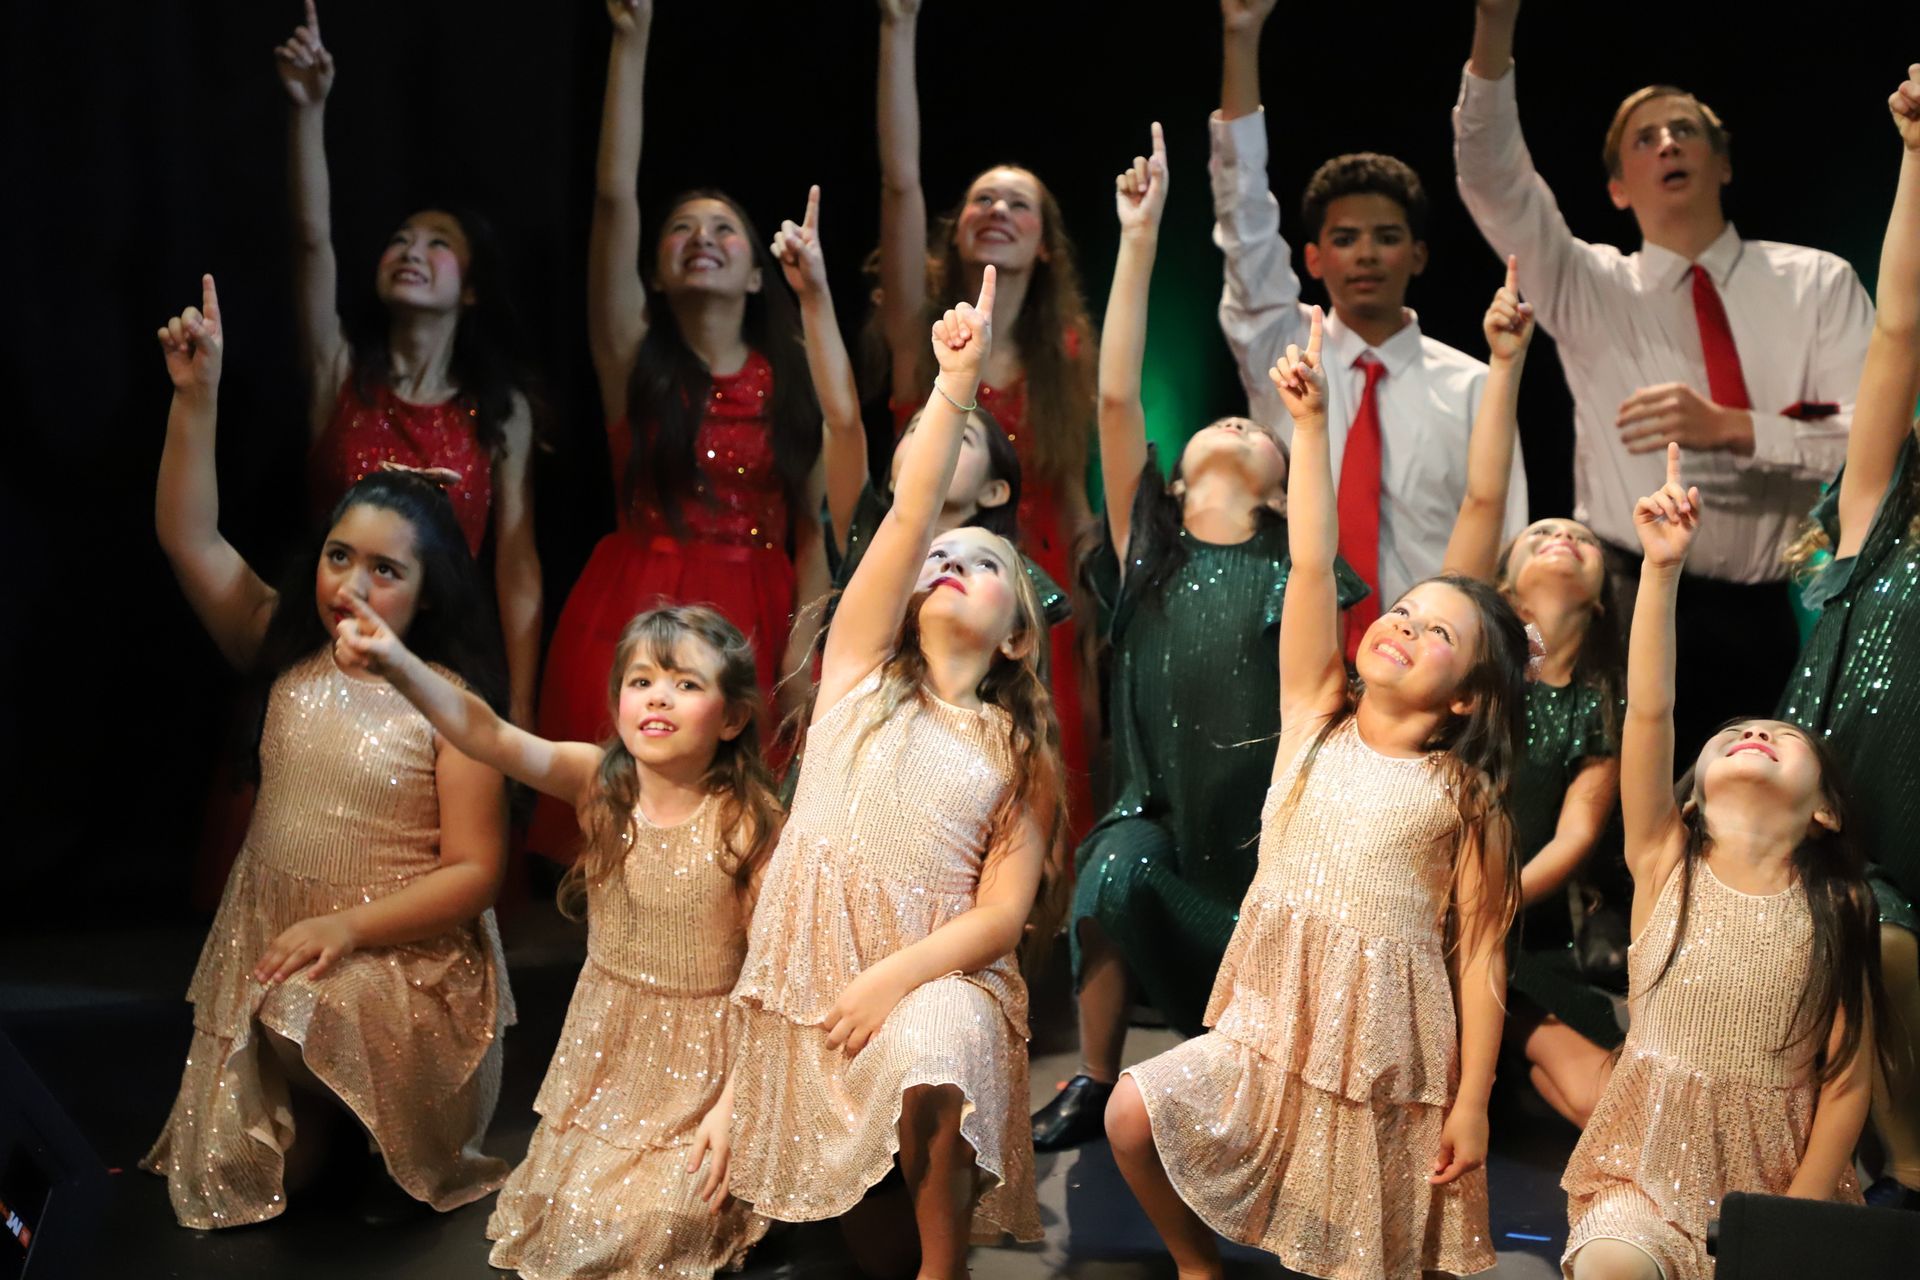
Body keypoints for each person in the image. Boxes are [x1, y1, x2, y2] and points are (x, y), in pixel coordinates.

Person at [1106, 305, 1528, 1280]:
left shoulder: (1466, 796)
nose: (1406, 627)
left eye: (1438, 636)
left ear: (1464, 692)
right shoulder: (1312, 717)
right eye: (1406, 610)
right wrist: (1309, 425)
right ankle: (1197, 1263)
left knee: (1356, 1257)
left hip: (1381, 1057)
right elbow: (1307, 561)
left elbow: (1483, 959)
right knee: (1131, 1113)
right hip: (1268, 1022)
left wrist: (1472, 1097)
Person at [143, 277, 514, 1227]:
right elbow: (188, 534)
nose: (351, 583)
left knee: (320, 1009)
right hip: (275, 944)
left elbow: (476, 870)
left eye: (385, 570)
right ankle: (327, 1130)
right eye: (339, 556)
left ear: (426, 596)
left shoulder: (446, 702)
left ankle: (388, 1124)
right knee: (256, 1188)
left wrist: (348, 930)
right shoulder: (283, 642)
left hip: (395, 967)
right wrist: (197, 399)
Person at [716, 269, 1059, 1274]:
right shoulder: (859, 673)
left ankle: (942, 1266)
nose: (954, 562)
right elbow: (905, 519)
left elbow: (1000, 916)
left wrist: (894, 979)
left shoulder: (1017, 750)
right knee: (852, 1240)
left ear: (1019, 642)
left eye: (985, 562)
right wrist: (952, 387)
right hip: (817, 971)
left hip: (934, 971)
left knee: (944, 1038)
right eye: (939, 559)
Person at [1033, 125, 1366, 1153]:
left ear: (1276, 479)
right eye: (1218, 426)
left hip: (1269, 836)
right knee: (1110, 872)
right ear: (1175, 482)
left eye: (1252, 429)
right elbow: (1118, 396)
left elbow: (1320, 542)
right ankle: (1094, 1076)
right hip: (1162, 814)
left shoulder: (1290, 567)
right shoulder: (1148, 560)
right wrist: (1138, 238)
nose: (1231, 422)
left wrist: (1310, 427)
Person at [1454, 0, 1874, 756]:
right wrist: (1493, 29)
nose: (1668, 143)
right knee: (1617, 833)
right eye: (1644, 139)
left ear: (1724, 162)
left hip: (1768, 608)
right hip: (1620, 600)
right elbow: (1494, 180)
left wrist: (1734, 427)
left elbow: (1874, 441)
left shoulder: (1817, 282)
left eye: (1687, 131)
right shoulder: (1590, 287)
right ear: (1617, 187)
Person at [336, 600, 776, 1278]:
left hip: (712, 1068)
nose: (659, 697)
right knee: (574, 1218)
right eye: (641, 681)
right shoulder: (598, 783)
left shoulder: (744, 825)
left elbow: (772, 980)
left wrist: (733, 1105)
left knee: (663, 1224)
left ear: (734, 716)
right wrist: (398, 663)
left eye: (686, 684)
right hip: (614, 1062)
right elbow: (488, 736)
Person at [1559, 445, 1882, 1280]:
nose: (1757, 732)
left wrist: (1793, 1221)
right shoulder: (1665, 858)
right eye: (1737, 733)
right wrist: (1663, 571)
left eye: (1782, 735)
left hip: (1777, 1183)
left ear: (1824, 811)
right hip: (1646, 1172)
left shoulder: (1842, 906)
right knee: (1610, 1268)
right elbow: (1652, 711)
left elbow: (1846, 1083)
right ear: (1692, 796)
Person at [532, 0, 826, 859]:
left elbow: (817, 529)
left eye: (724, 228)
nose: (701, 239)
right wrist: (631, 43)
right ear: (656, 272)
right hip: (638, 604)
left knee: (741, 841)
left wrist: (805, 655)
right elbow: (614, 197)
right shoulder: (632, 359)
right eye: (682, 230)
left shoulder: (793, 375)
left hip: (764, 612)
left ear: (758, 271)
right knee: (631, 832)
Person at [1213, 0, 1527, 659]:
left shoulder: (1474, 385)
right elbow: (1242, 219)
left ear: (1417, 256)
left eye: (1386, 239)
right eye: (1345, 239)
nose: (1365, 255)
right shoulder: (1283, 347)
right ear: (1314, 259)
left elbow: (1504, 537)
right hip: (1285, 653)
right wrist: (1240, 40)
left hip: (1429, 667)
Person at [274, 0, 540, 725]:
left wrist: (517, 707)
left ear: (474, 288)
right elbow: (310, 242)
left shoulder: (501, 410)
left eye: (438, 243)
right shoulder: (340, 374)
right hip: (322, 657)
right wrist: (308, 111)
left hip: (441, 675)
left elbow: (516, 568)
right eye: (400, 240)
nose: (413, 251)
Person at [875, 0, 1098, 835]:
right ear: (956, 232)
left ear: (1045, 244)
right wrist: (898, 32)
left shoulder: (1064, 349)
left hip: (1036, 594)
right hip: (928, 576)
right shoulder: (919, 332)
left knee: (1035, 802)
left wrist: (1097, 617)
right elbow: (900, 185)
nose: (996, 211)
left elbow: (1074, 495)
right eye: (980, 201)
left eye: (1019, 204)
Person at [1440, 258, 1628, 1127]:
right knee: (1556, 1066)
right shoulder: (1476, 670)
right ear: (1506, 584)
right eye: (1542, 531)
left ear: (1599, 593)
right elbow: (1484, 496)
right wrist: (1506, 365)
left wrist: (1497, 902)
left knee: (1582, 1079)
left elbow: (1582, 832)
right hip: (1429, 910)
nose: (1559, 536)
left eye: (1578, 537)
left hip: (1521, 926)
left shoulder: (1601, 704)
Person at [1777, 65, 1920, 1212]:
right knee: (1876, 953)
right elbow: (1899, 335)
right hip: (1846, 860)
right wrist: (1917, 158)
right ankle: (1900, 1176)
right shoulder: (1868, 534)